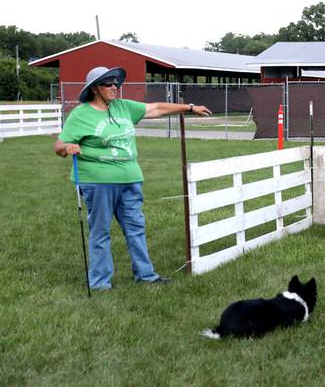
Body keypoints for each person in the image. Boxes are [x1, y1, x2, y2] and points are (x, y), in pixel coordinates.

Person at [53, 66, 212, 290]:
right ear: (95, 89)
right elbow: (59, 145)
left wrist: (190, 107)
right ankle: (99, 282)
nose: (114, 87)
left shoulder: (123, 107)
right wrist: (68, 147)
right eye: (108, 83)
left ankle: (146, 275)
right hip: (98, 182)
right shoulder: (81, 114)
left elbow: (156, 108)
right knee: (100, 232)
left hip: (130, 179)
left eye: (115, 82)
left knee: (136, 228)